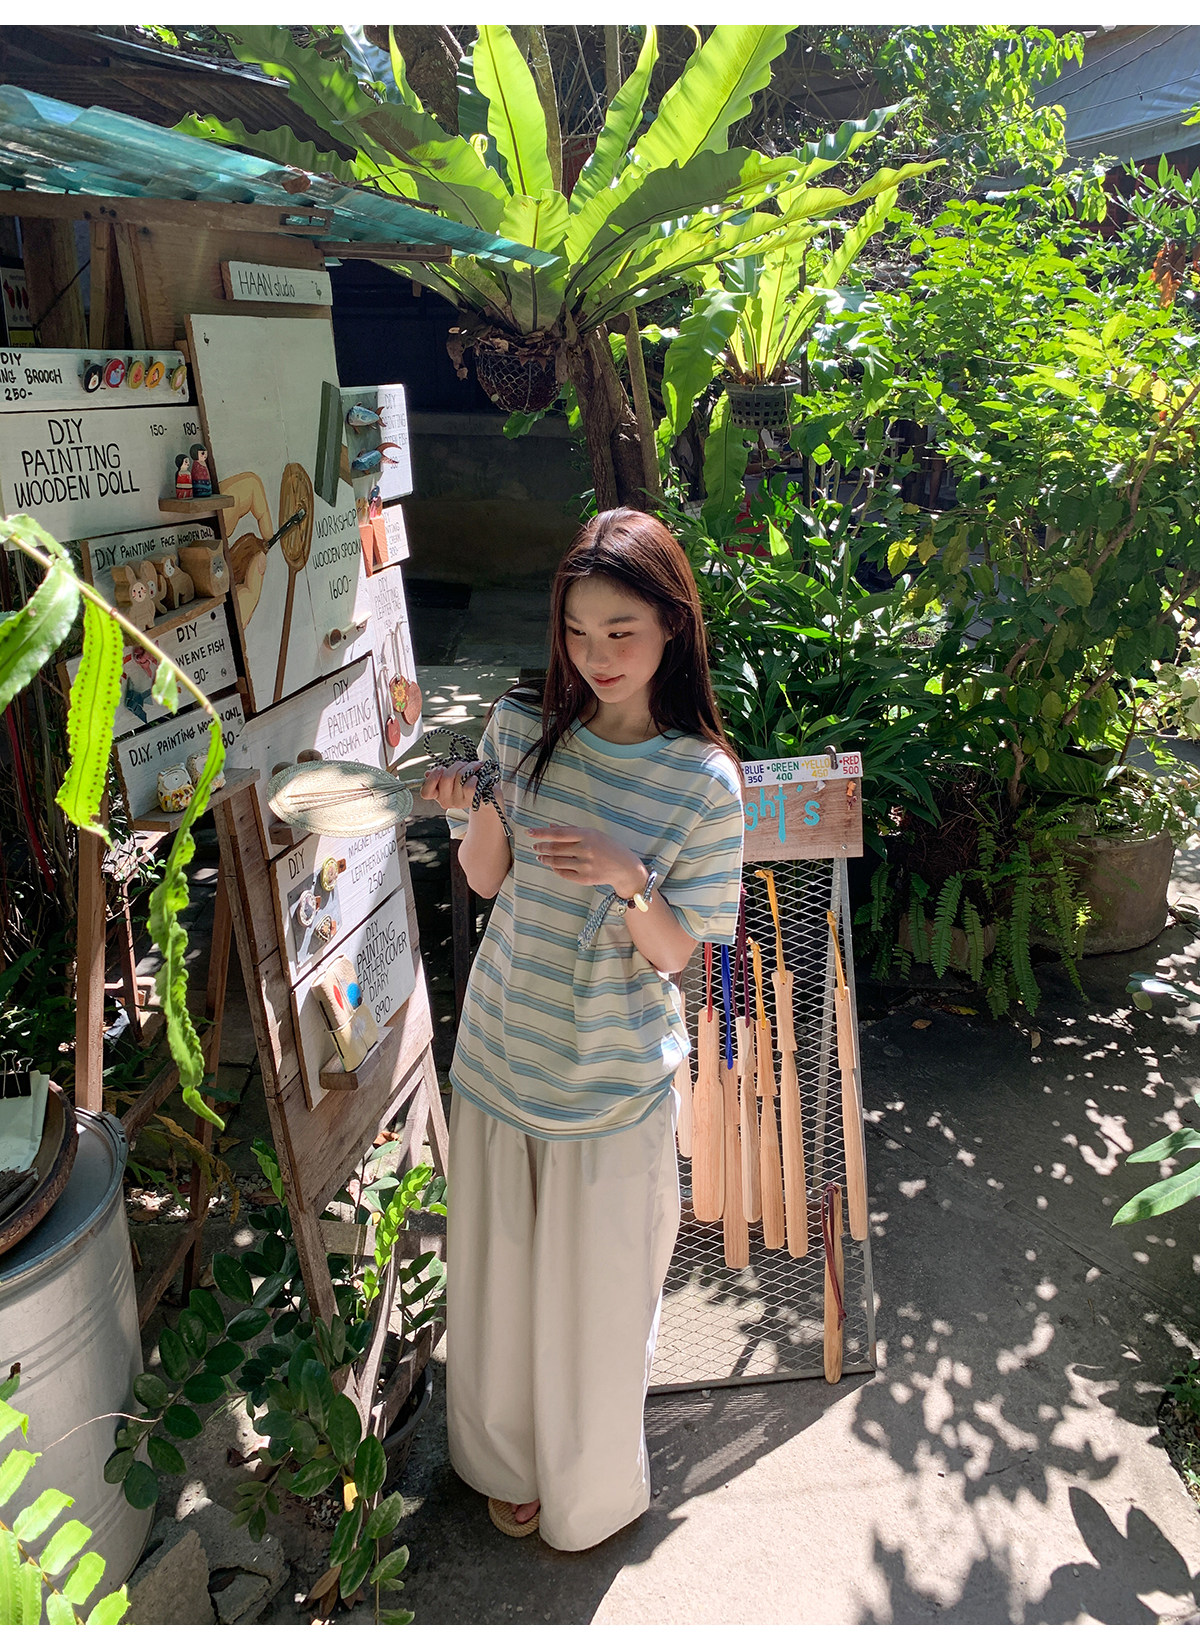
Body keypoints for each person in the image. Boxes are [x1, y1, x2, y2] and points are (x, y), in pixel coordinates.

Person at [421, 508, 745, 1552]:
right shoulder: (520, 730)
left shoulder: (703, 781)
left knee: (595, 1311)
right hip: (500, 1056)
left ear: (672, 628)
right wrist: (472, 807)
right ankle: (504, 1463)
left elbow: (678, 952)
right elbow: (485, 880)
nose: (596, 655)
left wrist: (628, 875)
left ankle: (588, 1493)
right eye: (576, 631)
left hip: (608, 1083)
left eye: (621, 632)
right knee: (499, 1290)